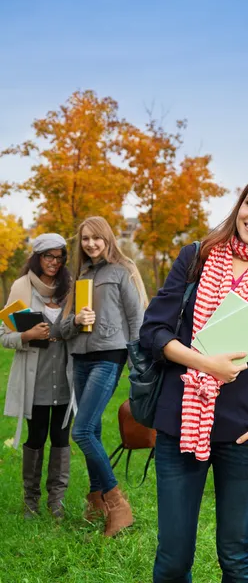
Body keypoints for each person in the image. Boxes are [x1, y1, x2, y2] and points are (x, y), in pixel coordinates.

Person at [139, 171, 248, 582]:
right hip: (180, 424)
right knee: (173, 559)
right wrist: (204, 363)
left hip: (245, 431)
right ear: (240, 203)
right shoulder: (195, 256)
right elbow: (153, 330)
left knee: (236, 556)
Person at [60, 216, 147, 537]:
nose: (91, 244)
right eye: (85, 239)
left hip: (109, 357)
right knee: (92, 429)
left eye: (96, 238)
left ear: (107, 239)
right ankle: (97, 502)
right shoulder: (80, 276)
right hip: (80, 358)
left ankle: (118, 505)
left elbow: (137, 318)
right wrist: (75, 319)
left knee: (81, 432)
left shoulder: (122, 271)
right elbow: (63, 327)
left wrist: (139, 366)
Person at [0, 233, 74, 519]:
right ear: (37, 257)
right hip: (36, 375)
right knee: (37, 435)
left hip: (65, 375)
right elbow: (4, 335)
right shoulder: (21, 288)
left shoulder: (70, 288)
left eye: (59, 257)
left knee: (61, 436)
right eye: (48, 256)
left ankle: (56, 503)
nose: (54, 262)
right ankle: (31, 501)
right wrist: (27, 335)